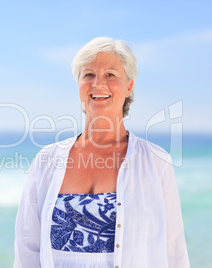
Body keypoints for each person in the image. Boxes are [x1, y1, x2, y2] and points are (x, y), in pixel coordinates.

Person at [14, 37, 190, 268]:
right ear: (79, 84)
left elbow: (173, 251)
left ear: (128, 86)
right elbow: (27, 247)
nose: (98, 84)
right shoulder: (47, 159)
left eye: (110, 74)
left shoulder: (156, 162)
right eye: (88, 75)